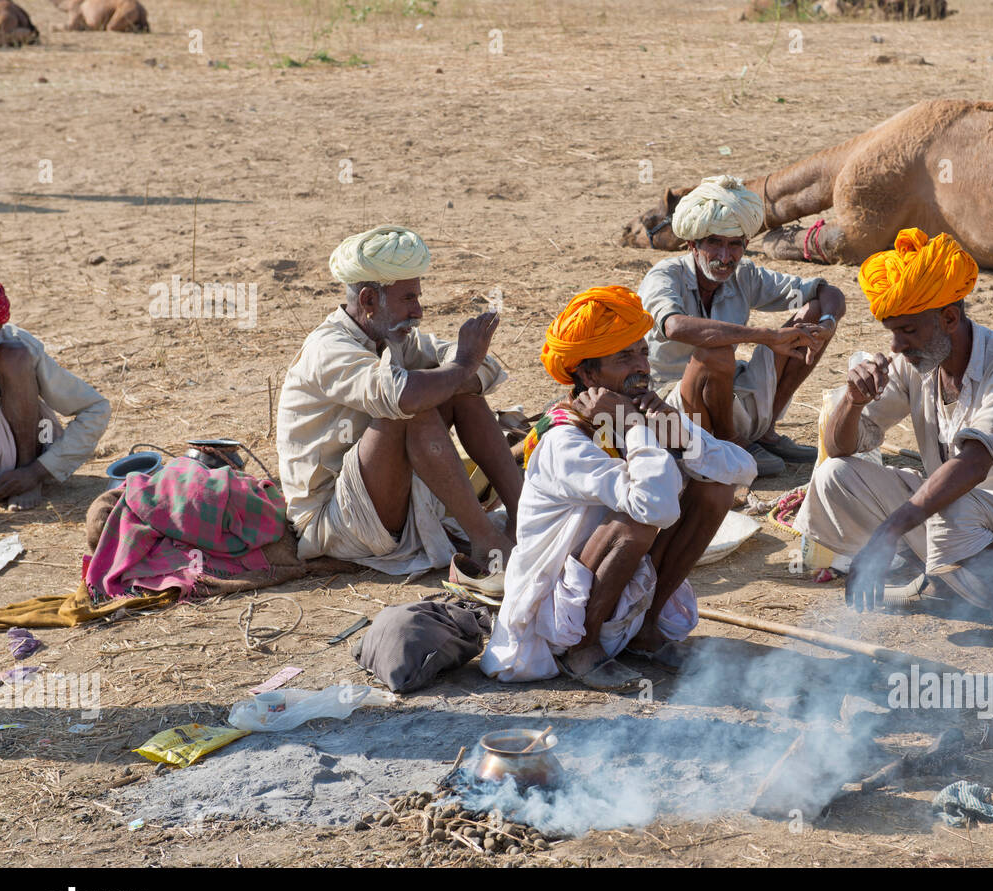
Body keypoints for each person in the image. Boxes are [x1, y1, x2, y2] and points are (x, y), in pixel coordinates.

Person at [794, 229, 993, 663]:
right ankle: (942, 580)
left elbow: (974, 465)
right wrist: (852, 402)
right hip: (961, 527)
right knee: (836, 475)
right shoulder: (917, 364)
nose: (896, 345)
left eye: (907, 330)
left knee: (951, 501)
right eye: (891, 332)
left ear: (948, 317)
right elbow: (840, 448)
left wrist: (889, 532)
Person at [480, 286, 756, 689]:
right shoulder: (564, 441)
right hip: (555, 615)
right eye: (624, 357)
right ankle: (584, 650)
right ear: (588, 375)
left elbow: (741, 470)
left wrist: (679, 436)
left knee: (713, 491)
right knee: (637, 523)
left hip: (621, 593)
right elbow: (654, 508)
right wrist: (637, 428)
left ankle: (644, 631)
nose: (642, 366)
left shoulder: (636, 411)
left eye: (643, 352)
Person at [275, 225, 522, 577]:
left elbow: (484, 372)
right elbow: (405, 396)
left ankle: (524, 516)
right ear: (369, 302)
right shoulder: (328, 349)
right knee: (411, 407)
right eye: (409, 299)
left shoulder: (394, 337)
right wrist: (463, 364)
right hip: (333, 520)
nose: (418, 311)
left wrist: (459, 371)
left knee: (459, 395)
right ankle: (486, 541)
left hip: (383, 498)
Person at [637, 175, 846, 477]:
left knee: (811, 314)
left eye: (735, 245)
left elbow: (827, 292)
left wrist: (827, 324)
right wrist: (767, 336)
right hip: (670, 407)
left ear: (746, 244)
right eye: (714, 244)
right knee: (715, 352)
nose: (725, 257)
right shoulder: (664, 276)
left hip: (725, 395)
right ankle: (730, 444)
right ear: (692, 245)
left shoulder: (744, 274)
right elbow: (674, 327)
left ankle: (764, 431)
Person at [0, 281, 111, 510]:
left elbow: (96, 410)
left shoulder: (17, 343)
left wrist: (36, 471)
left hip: (22, 448)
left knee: (15, 358)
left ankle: (25, 476)